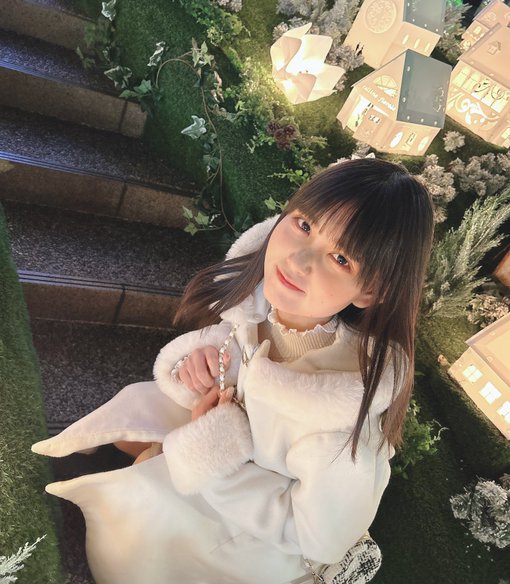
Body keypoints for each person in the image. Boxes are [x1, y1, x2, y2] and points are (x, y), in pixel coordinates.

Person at [33, 158, 434, 584]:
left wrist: (216, 458)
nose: (299, 260)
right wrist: (197, 366)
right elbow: (227, 347)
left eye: (340, 258)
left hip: (251, 530)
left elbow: (319, 539)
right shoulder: (262, 307)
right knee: (136, 413)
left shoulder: (342, 422)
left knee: (133, 534)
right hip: (219, 456)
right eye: (304, 225)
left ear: (371, 291)